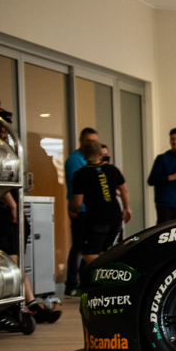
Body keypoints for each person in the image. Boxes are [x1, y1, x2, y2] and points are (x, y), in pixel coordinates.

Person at [0, 100, 60, 323]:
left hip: (3, 210)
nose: (2, 129)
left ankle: (28, 304)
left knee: (15, 260)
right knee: (1, 261)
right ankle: (7, 308)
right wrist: (12, 204)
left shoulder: (1, 147)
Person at [70, 139, 131, 267]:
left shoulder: (80, 174)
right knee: (107, 252)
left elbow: (78, 202)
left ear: (84, 154)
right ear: (100, 154)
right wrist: (126, 208)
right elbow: (124, 191)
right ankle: (107, 275)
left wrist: (73, 210)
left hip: (96, 219)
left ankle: (102, 273)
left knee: (89, 254)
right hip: (115, 216)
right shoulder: (112, 170)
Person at [62, 127, 97, 297]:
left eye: (94, 141)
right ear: (82, 141)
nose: (92, 144)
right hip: (80, 210)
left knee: (88, 249)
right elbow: (82, 186)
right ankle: (72, 284)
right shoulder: (74, 160)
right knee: (78, 247)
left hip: (90, 210)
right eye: (89, 141)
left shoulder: (91, 160)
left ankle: (84, 283)